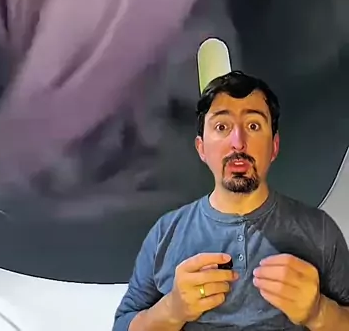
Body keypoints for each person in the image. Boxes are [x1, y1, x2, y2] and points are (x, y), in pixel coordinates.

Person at [112, 70, 349, 330]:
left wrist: (319, 312)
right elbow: (123, 325)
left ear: (274, 147)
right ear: (202, 148)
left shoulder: (319, 231)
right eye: (222, 127)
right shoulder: (165, 234)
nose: (238, 143)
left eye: (253, 126)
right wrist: (171, 309)